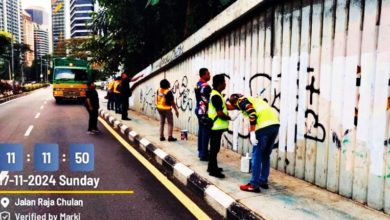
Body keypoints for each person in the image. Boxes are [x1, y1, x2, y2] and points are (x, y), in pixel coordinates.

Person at [228, 93, 280, 192]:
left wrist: (252, 132)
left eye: (234, 105)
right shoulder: (252, 100)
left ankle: (253, 184)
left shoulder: (241, 101)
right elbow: (233, 107)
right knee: (265, 155)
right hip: (274, 125)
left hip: (263, 128)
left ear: (235, 102)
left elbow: (252, 113)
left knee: (257, 155)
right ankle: (263, 180)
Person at [207, 74, 233, 178]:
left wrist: (238, 106)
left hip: (216, 127)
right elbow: (220, 113)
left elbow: (225, 106)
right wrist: (228, 118)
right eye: (224, 82)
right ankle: (213, 171)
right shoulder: (216, 96)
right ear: (219, 83)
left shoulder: (217, 94)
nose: (225, 84)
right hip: (215, 127)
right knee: (214, 149)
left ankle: (211, 167)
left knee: (214, 148)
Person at [194, 68, 212, 161]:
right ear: (203, 75)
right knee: (205, 132)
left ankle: (201, 151)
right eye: (208, 74)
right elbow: (209, 100)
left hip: (198, 110)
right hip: (204, 112)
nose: (209, 75)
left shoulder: (197, 84)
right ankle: (204, 154)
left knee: (201, 131)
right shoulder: (206, 86)